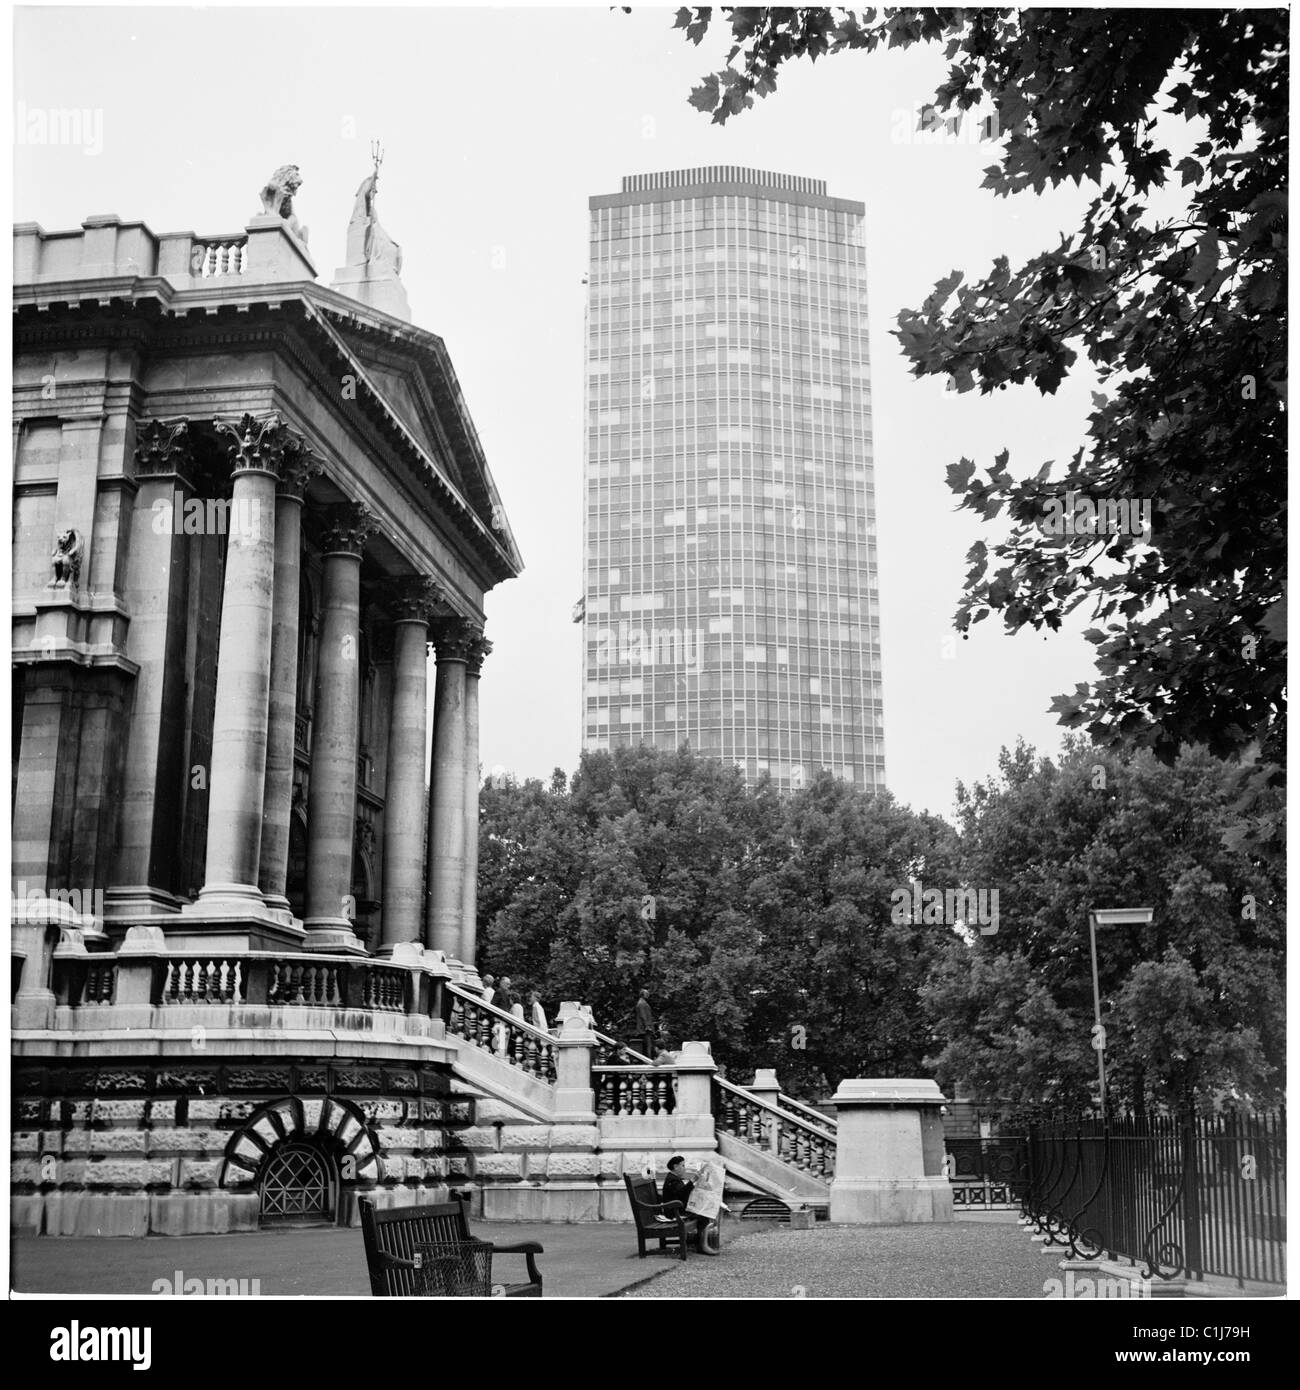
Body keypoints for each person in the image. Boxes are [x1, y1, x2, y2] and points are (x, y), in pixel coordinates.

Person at [660, 1155, 723, 1254]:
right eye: (683, 1165)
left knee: (703, 1212)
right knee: (703, 1216)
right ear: (675, 1167)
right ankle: (703, 1246)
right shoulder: (672, 1179)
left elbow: (682, 1193)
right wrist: (693, 1180)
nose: (684, 1168)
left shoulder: (674, 1178)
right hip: (674, 1212)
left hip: (677, 1208)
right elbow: (682, 1193)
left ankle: (699, 1243)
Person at [634, 988, 655, 1058]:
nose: (648, 994)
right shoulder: (641, 1003)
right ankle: (648, 1060)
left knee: (648, 1045)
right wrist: (647, 1026)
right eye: (646, 993)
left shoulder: (643, 1002)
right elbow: (643, 1016)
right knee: (648, 1046)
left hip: (645, 1027)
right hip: (645, 1028)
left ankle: (649, 1058)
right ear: (642, 994)